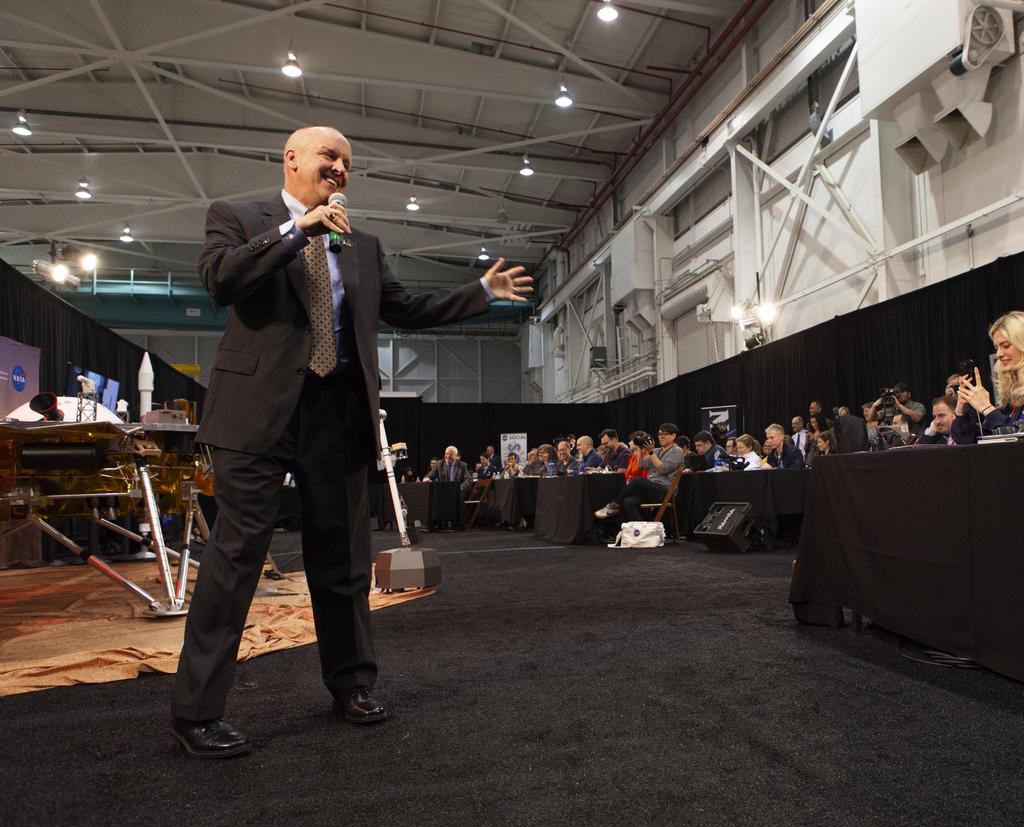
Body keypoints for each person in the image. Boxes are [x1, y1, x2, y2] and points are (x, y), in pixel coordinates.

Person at [170, 125, 533, 758]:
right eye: (328, 156)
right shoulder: (237, 216)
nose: (339, 167)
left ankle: (352, 685)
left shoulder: (362, 244)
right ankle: (197, 712)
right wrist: (299, 231)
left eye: (347, 161)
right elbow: (222, 279)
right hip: (256, 414)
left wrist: (479, 292)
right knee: (235, 561)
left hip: (337, 416)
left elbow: (407, 309)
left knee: (341, 563)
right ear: (291, 159)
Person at [952, 311, 1024, 444]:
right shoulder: (1015, 394)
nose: (999, 354)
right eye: (996, 347)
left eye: (1006, 345)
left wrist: (986, 408)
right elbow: (970, 441)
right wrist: (962, 411)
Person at [594, 424, 683, 520]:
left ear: (673, 436)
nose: (660, 437)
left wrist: (651, 452)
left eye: (664, 434)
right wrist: (641, 449)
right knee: (628, 502)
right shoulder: (657, 451)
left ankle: (614, 504)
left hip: (665, 491)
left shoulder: (677, 451)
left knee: (637, 480)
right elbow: (640, 467)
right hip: (650, 490)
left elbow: (663, 469)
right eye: (659, 434)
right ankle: (643, 531)